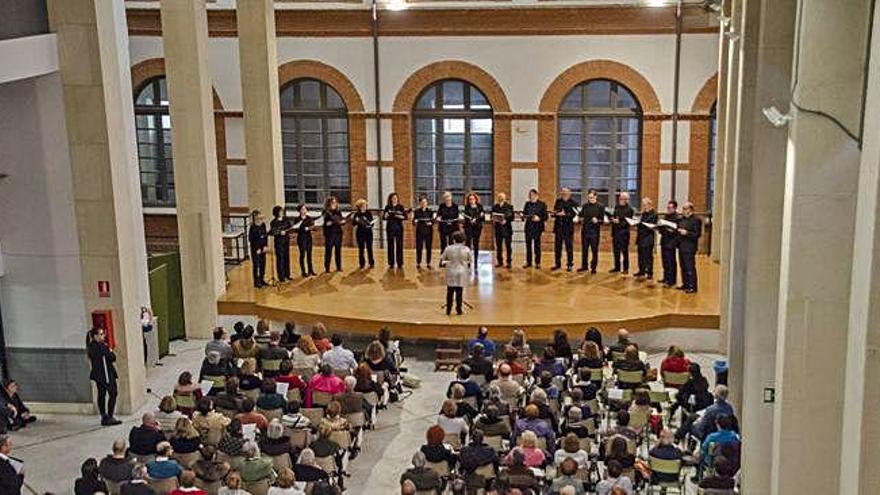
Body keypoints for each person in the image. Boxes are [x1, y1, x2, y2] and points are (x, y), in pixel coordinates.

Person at [87, 326, 121, 426]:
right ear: (95, 336)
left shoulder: (92, 347)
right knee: (112, 393)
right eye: (101, 334)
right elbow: (111, 357)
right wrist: (109, 351)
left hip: (99, 375)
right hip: (105, 375)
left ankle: (104, 415)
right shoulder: (100, 347)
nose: (103, 336)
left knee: (102, 394)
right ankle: (109, 416)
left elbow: (112, 357)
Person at [440, 230, 472, 316]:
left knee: (449, 292)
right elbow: (470, 261)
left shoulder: (448, 248)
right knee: (459, 292)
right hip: (461, 273)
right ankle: (459, 310)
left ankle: (448, 310)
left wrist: (448, 262)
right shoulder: (466, 249)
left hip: (450, 272)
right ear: (463, 240)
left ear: (453, 240)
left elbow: (442, 259)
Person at [677, 201, 702, 293]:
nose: (683, 210)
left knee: (690, 267)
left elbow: (697, 234)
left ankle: (692, 286)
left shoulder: (696, 220)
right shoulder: (682, 219)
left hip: (690, 247)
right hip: (681, 246)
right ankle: (685, 284)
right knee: (683, 266)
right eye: (683, 208)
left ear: (690, 210)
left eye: (684, 208)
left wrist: (687, 233)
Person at [578, 189, 605, 273]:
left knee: (594, 250)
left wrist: (597, 221)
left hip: (594, 232)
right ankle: (584, 266)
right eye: (589, 197)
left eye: (592, 197)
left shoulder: (600, 206)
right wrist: (580, 219)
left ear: (596, 197)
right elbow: (580, 217)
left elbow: (602, 221)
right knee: (584, 250)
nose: (590, 199)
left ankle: (593, 267)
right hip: (585, 231)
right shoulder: (585, 206)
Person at [552, 187, 578, 271]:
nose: (564, 194)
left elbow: (574, 215)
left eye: (566, 192)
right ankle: (557, 264)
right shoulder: (558, 201)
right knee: (557, 247)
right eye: (563, 192)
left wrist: (565, 214)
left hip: (568, 229)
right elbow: (554, 212)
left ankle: (570, 264)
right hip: (558, 228)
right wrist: (556, 214)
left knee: (569, 247)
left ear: (569, 193)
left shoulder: (573, 203)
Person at [522, 188, 548, 268]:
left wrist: (539, 218)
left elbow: (545, 216)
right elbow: (524, 214)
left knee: (537, 246)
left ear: (536, 195)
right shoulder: (527, 204)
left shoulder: (542, 204)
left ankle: (537, 262)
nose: (531, 197)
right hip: (528, 227)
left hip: (537, 228)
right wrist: (522, 216)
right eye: (530, 195)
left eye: (532, 195)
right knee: (528, 246)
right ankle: (528, 262)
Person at [609, 192, 634, 274]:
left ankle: (626, 269)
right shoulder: (617, 207)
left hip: (624, 234)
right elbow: (614, 216)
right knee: (616, 251)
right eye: (620, 198)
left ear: (626, 200)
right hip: (616, 233)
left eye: (622, 198)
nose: (620, 200)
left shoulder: (630, 209)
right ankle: (617, 267)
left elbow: (627, 222)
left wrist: (618, 221)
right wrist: (612, 219)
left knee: (624, 252)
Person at [634, 197, 658, 280]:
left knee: (648, 256)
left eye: (644, 204)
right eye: (643, 204)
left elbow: (650, 225)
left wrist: (641, 223)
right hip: (641, 237)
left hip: (648, 238)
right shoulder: (643, 213)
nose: (643, 206)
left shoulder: (654, 214)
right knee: (640, 255)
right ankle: (641, 271)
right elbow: (641, 224)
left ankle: (650, 272)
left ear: (649, 204)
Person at [659, 200, 681, 287]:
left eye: (670, 208)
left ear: (675, 208)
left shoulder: (677, 218)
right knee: (665, 261)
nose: (668, 209)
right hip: (664, 241)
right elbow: (662, 229)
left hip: (671, 242)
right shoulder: (666, 216)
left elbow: (677, 230)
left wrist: (671, 230)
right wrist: (660, 227)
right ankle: (666, 278)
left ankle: (671, 280)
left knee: (671, 262)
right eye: (668, 207)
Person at [320, 195, 344, 272]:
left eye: (335, 202)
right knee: (328, 251)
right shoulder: (325, 212)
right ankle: (327, 268)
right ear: (329, 204)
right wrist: (327, 224)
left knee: (338, 251)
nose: (334, 204)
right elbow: (323, 223)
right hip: (329, 234)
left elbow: (341, 220)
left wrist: (342, 222)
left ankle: (338, 267)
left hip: (338, 233)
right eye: (332, 202)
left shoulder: (338, 211)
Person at [491, 192, 515, 268]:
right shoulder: (495, 206)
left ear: (505, 198)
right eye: (499, 197)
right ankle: (499, 261)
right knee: (498, 247)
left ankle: (509, 262)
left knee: (508, 246)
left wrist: (506, 220)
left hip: (507, 229)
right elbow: (493, 216)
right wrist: (494, 219)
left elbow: (512, 218)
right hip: (498, 229)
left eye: (502, 197)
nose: (501, 198)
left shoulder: (509, 206)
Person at [384, 192, 407, 269]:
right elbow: (384, 217)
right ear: (390, 199)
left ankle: (400, 263)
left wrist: (399, 216)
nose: (395, 200)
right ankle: (391, 263)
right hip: (390, 228)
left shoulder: (401, 207)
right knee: (390, 245)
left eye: (396, 198)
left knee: (399, 245)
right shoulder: (387, 207)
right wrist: (386, 215)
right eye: (393, 198)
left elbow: (405, 217)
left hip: (399, 228)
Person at [270, 205, 292, 282]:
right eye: (280, 211)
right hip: (279, 242)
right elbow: (273, 231)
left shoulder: (286, 219)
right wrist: (280, 232)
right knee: (280, 259)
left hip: (286, 240)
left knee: (286, 257)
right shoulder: (273, 222)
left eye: (282, 211)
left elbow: (290, 228)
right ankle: (281, 277)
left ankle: (287, 275)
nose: (282, 212)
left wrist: (286, 231)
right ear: (276, 213)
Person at [463, 192, 485, 269]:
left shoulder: (480, 207)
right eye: (470, 199)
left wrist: (479, 217)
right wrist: (470, 221)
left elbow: (482, 218)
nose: (471, 200)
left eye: (473, 199)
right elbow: (465, 218)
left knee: (476, 244)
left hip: (477, 228)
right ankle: (468, 261)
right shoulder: (467, 207)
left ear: (476, 199)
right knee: (468, 244)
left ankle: (475, 261)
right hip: (468, 227)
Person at [352, 198, 375, 269]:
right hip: (360, 233)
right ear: (359, 206)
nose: (365, 206)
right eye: (363, 205)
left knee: (369, 248)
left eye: (365, 205)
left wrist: (370, 224)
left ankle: (371, 263)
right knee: (361, 248)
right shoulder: (357, 214)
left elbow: (372, 222)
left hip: (368, 232)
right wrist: (356, 220)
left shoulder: (368, 213)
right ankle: (362, 263)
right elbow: (353, 224)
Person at [412, 194, 435, 269]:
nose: (423, 204)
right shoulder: (417, 211)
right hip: (420, 232)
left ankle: (428, 262)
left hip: (428, 232)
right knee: (419, 247)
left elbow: (432, 220)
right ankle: (418, 262)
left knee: (429, 247)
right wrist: (415, 221)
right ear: (420, 203)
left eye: (425, 202)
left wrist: (431, 223)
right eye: (422, 202)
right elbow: (414, 221)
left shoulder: (430, 211)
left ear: (427, 203)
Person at [294, 204, 317, 277]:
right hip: (301, 238)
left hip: (308, 238)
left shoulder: (309, 218)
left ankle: (311, 270)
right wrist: (304, 229)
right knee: (302, 255)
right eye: (303, 209)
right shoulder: (297, 219)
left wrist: (311, 227)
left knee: (309, 255)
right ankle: (303, 271)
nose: (304, 210)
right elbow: (296, 229)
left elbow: (312, 226)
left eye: (305, 209)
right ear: (299, 211)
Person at [248, 209, 269, 287]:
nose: (260, 218)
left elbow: (265, 236)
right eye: (258, 216)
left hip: (262, 248)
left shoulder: (263, 225)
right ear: (255, 217)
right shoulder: (252, 227)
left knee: (263, 264)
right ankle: (256, 282)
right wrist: (257, 249)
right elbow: (251, 239)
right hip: (256, 250)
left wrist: (265, 246)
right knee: (256, 265)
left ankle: (261, 279)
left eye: (260, 216)